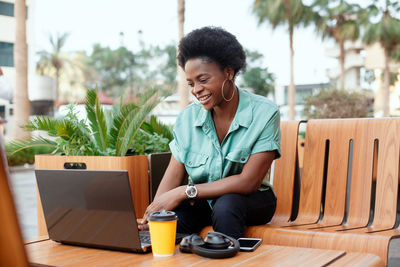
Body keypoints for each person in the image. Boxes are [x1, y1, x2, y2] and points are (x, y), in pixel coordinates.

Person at [139, 26, 280, 239]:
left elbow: (248, 182)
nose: (196, 90)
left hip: (251, 199)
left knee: (226, 206)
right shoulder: (187, 119)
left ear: (228, 72)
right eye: (191, 83)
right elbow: (173, 176)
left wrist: (183, 192)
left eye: (203, 80)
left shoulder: (264, 112)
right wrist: (155, 213)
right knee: (172, 219)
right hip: (203, 201)